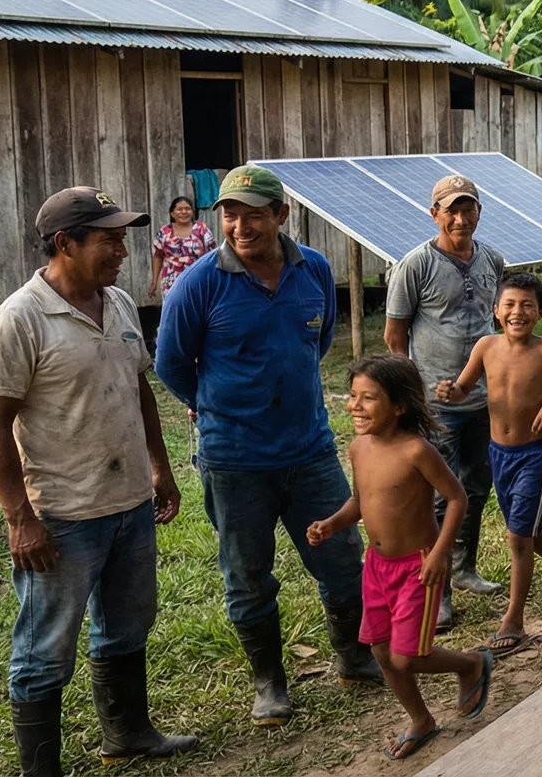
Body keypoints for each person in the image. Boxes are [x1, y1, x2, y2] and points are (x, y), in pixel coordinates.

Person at [0, 188, 197, 776]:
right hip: (63, 514)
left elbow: (139, 389)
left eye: (123, 237)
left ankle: (127, 732)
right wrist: (20, 519)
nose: (122, 250)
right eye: (109, 238)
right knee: (45, 649)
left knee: (127, 626)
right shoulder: (18, 320)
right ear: (64, 244)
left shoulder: (119, 302)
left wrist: (160, 466)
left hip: (128, 503)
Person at [154, 165, 381, 726]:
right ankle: (269, 683)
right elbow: (171, 364)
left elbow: (319, 338)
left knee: (342, 559)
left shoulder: (316, 271)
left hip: (310, 451)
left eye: (254, 213)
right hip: (234, 460)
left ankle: (354, 656)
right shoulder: (199, 282)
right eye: (230, 214)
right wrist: (218, 406)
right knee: (248, 573)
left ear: (281, 215)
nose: (240, 225)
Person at [308, 356, 493, 762]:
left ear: (399, 406)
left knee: (407, 656)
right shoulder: (358, 448)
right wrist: (332, 524)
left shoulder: (416, 451)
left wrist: (441, 554)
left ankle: (470, 664)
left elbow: (457, 497)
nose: (355, 405)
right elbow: (360, 502)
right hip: (376, 567)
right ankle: (421, 719)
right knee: (380, 651)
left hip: (419, 567)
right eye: (353, 396)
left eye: (368, 398)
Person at [384, 174, 508, 634]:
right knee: (438, 497)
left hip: (483, 400)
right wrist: (412, 392)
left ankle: (463, 568)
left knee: (475, 487)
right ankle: (438, 595)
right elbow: (395, 336)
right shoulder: (414, 265)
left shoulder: (492, 259)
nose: (460, 217)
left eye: (468, 208)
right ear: (433, 213)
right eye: (450, 209)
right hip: (436, 405)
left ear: (479, 212)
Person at [437, 273, 542, 658]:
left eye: (527, 305)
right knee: (526, 527)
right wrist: (451, 391)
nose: (518, 312)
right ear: (496, 311)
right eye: (510, 305)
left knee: (518, 535)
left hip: (535, 454)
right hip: (498, 453)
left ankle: (514, 621)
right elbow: (465, 388)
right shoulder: (486, 347)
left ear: (541, 312)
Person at [147, 195, 214, 300]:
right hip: (171, 282)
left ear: (192, 212)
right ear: (172, 213)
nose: (184, 212)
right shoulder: (165, 232)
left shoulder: (201, 229)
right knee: (174, 312)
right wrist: (154, 281)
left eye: (187, 209)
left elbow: (212, 254)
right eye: (179, 209)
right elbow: (158, 256)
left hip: (198, 279)